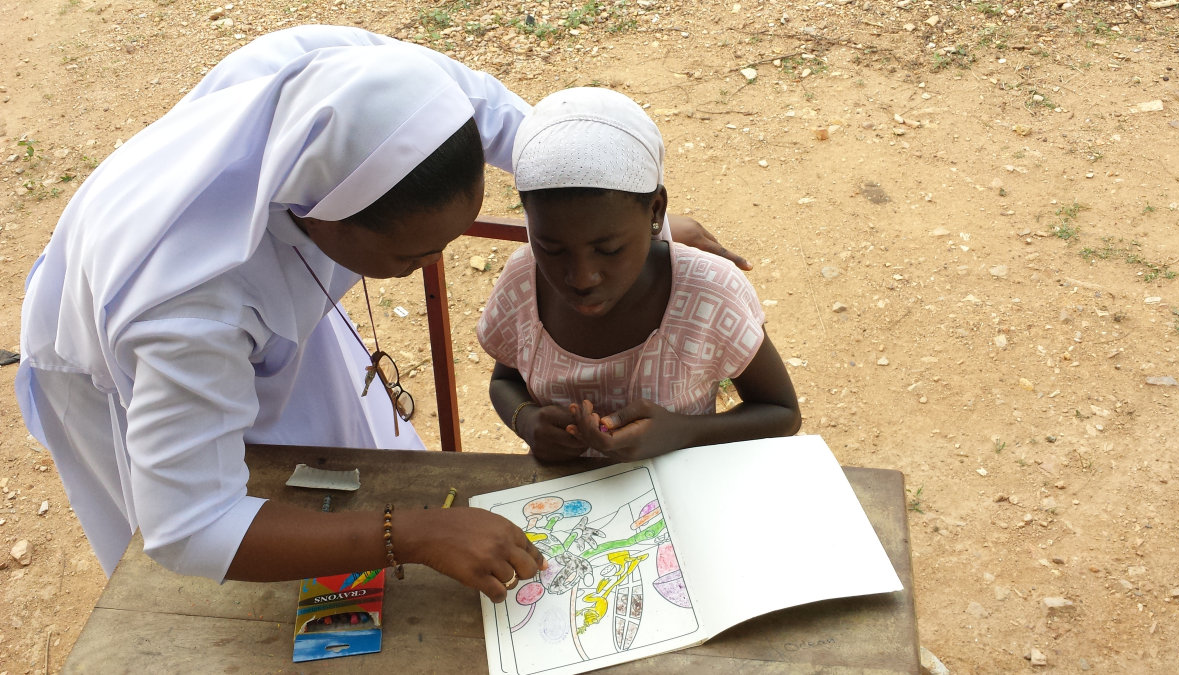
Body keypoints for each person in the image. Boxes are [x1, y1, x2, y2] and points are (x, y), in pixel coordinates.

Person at [14, 26, 745, 601]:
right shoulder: (189, 313)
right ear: (324, 222)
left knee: (328, 473)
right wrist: (412, 535)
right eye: (408, 258)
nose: (430, 268)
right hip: (112, 360)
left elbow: (501, 123)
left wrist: (618, 221)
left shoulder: (350, 82)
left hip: (243, 318)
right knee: (241, 562)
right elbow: (190, 526)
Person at [477, 88, 802, 463]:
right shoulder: (524, 281)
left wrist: (682, 432)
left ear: (656, 211)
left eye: (609, 250)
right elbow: (505, 381)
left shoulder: (707, 293)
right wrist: (526, 419)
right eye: (551, 249)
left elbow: (782, 412)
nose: (582, 279)